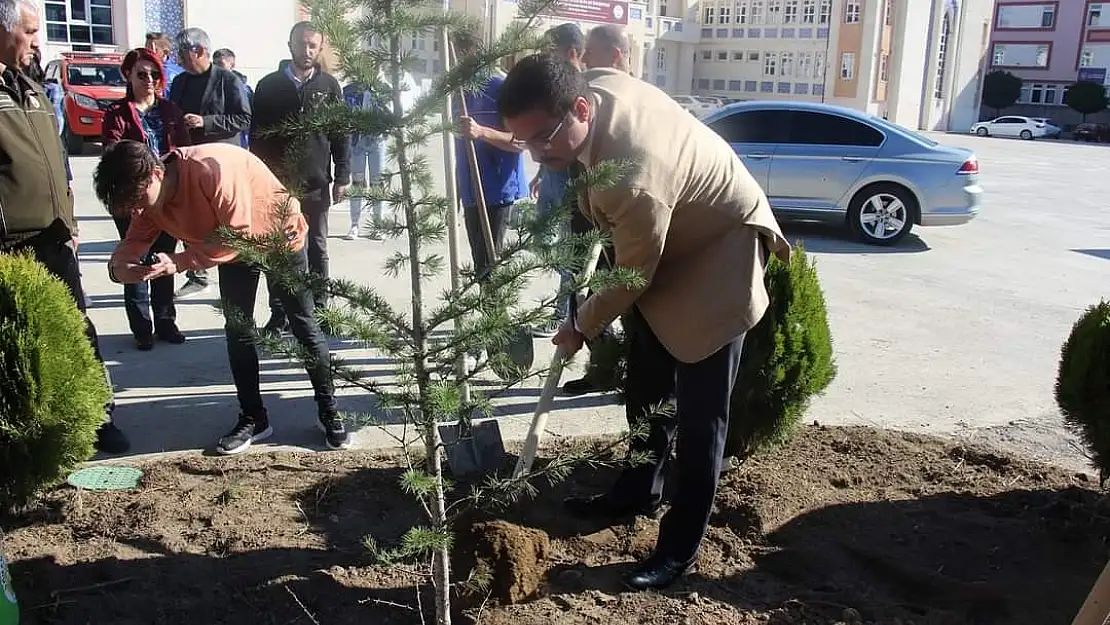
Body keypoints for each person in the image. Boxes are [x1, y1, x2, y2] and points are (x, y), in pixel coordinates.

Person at [497, 55, 789, 590]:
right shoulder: (596, 89)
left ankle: (679, 549)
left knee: (703, 420)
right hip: (666, 239)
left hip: (718, 251)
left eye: (542, 138)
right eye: (525, 142)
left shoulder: (633, 176)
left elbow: (632, 275)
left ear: (581, 108)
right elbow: (631, 255)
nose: (536, 154)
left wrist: (580, 324)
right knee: (647, 385)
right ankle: (637, 490)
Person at [94, 140, 350, 455]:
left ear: (156, 174)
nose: (138, 211)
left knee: (303, 325)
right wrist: (120, 269)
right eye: (131, 205)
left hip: (278, 237)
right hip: (230, 249)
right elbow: (132, 245)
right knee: (238, 329)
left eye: (138, 201)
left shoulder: (209, 171)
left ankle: (329, 410)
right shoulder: (147, 201)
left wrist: (180, 262)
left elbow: (238, 236)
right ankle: (253, 418)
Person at [0, 0, 129, 454]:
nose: (38, 40)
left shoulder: (33, 91)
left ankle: (98, 417)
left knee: (78, 328)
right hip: (9, 244)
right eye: (31, 30)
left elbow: (60, 166)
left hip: (55, 236)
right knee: (18, 341)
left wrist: (72, 221)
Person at [250, 21, 350, 336]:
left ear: (319, 48)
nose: (306, 51)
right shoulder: (268, 86)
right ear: (290, 44)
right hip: (277, 186)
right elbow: (258, 138)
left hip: (316, 184)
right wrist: (259, 181)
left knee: (317, 247)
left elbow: (340, 134)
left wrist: (342, 174)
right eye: (301, 44)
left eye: (313, 46)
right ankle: (279, 314)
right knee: (278, 249)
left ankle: (320, 308)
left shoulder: (329, 87)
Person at [101, 47, 191, 350]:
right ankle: (141, 328)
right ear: (128, 75)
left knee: (164, 259)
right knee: (135, 259)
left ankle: (166, 321)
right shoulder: (117, 114)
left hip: (165, 198)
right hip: (132, 200)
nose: (149, 80)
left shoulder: (170, 111)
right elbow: (112, 155)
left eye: (155, 74)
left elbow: (183, 151)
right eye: (142, 74)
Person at [168, 27, 252, 300]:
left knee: (227, 225)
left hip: (221, 168)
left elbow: (243, 119)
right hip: (188, 163)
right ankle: (198, 274)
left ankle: (234, 284)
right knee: (191, 221)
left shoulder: (227, 80)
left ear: (200, 51)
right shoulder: (180, 82)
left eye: (181, 54)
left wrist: (206, 122)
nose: (177, 60)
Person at [451, 30, 528, 284]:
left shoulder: (499, 88)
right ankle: (487, 315)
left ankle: (496, 317)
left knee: (492, 263)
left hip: (496, 189)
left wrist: (482, 132)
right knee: (479, 263)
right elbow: (458, 145)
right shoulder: (457, 93)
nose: (456, 60)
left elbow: (520, 142)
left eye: (460, 53)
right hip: (471, 190)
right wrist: (458, 188)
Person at [345, 67, 418, 241]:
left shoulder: (385, 89)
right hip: (358, 142)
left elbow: (393, 113)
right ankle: (354, 225)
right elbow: (346, 111)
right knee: (357, 183)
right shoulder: (350, 89)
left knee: (378, 183)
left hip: (378, 141)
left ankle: (378, 225)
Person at [213, 48, 253, 149]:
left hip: (238, 141)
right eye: (214, 64)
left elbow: (247, 119)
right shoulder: (211, 88)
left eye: (220, 64)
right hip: (216, 141)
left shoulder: (244, 89)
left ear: (232, 65)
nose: (217, 68)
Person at [144, 32, 184, 96]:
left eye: (153, 50)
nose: (148, 53)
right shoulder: (142, 70)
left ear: (165, 52)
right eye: (146, 49)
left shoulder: (178, 72)